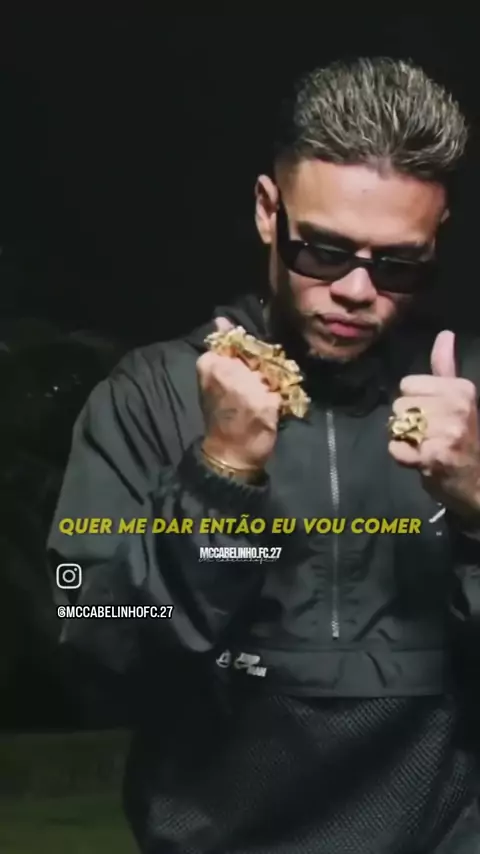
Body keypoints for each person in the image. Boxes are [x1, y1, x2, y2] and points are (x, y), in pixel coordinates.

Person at [48, 57, 480, 853]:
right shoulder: (151, 394)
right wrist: (220, 477)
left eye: (398, 264)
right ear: (266, 211)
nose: (357, 291)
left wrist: (478, 507)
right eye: (324, 251)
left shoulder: (467, 407)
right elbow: (99, 649)